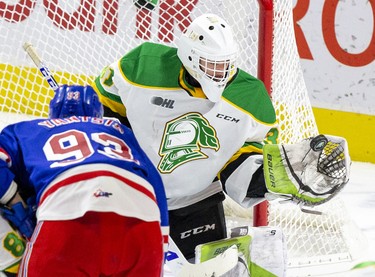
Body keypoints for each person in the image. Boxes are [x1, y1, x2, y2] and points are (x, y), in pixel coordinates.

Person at [93, 12, 350, 263]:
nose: (221, 72)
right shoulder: (143, 65)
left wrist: (274, 179)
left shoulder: (250, 98)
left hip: (197, 203)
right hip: (133, 195)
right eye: (213, 64)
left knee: (214, 270)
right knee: (114, 266)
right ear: (190, 57)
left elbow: (241, 161)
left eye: (226, 64)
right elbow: (103, 108)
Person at [0, 85, 169, 277]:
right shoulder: (122, 131)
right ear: (98, 115)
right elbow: (156, 183)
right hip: (143, 230)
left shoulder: (26, 129)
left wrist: (15, 202)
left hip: (68, 221)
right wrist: (160, 246)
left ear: (52, 113)